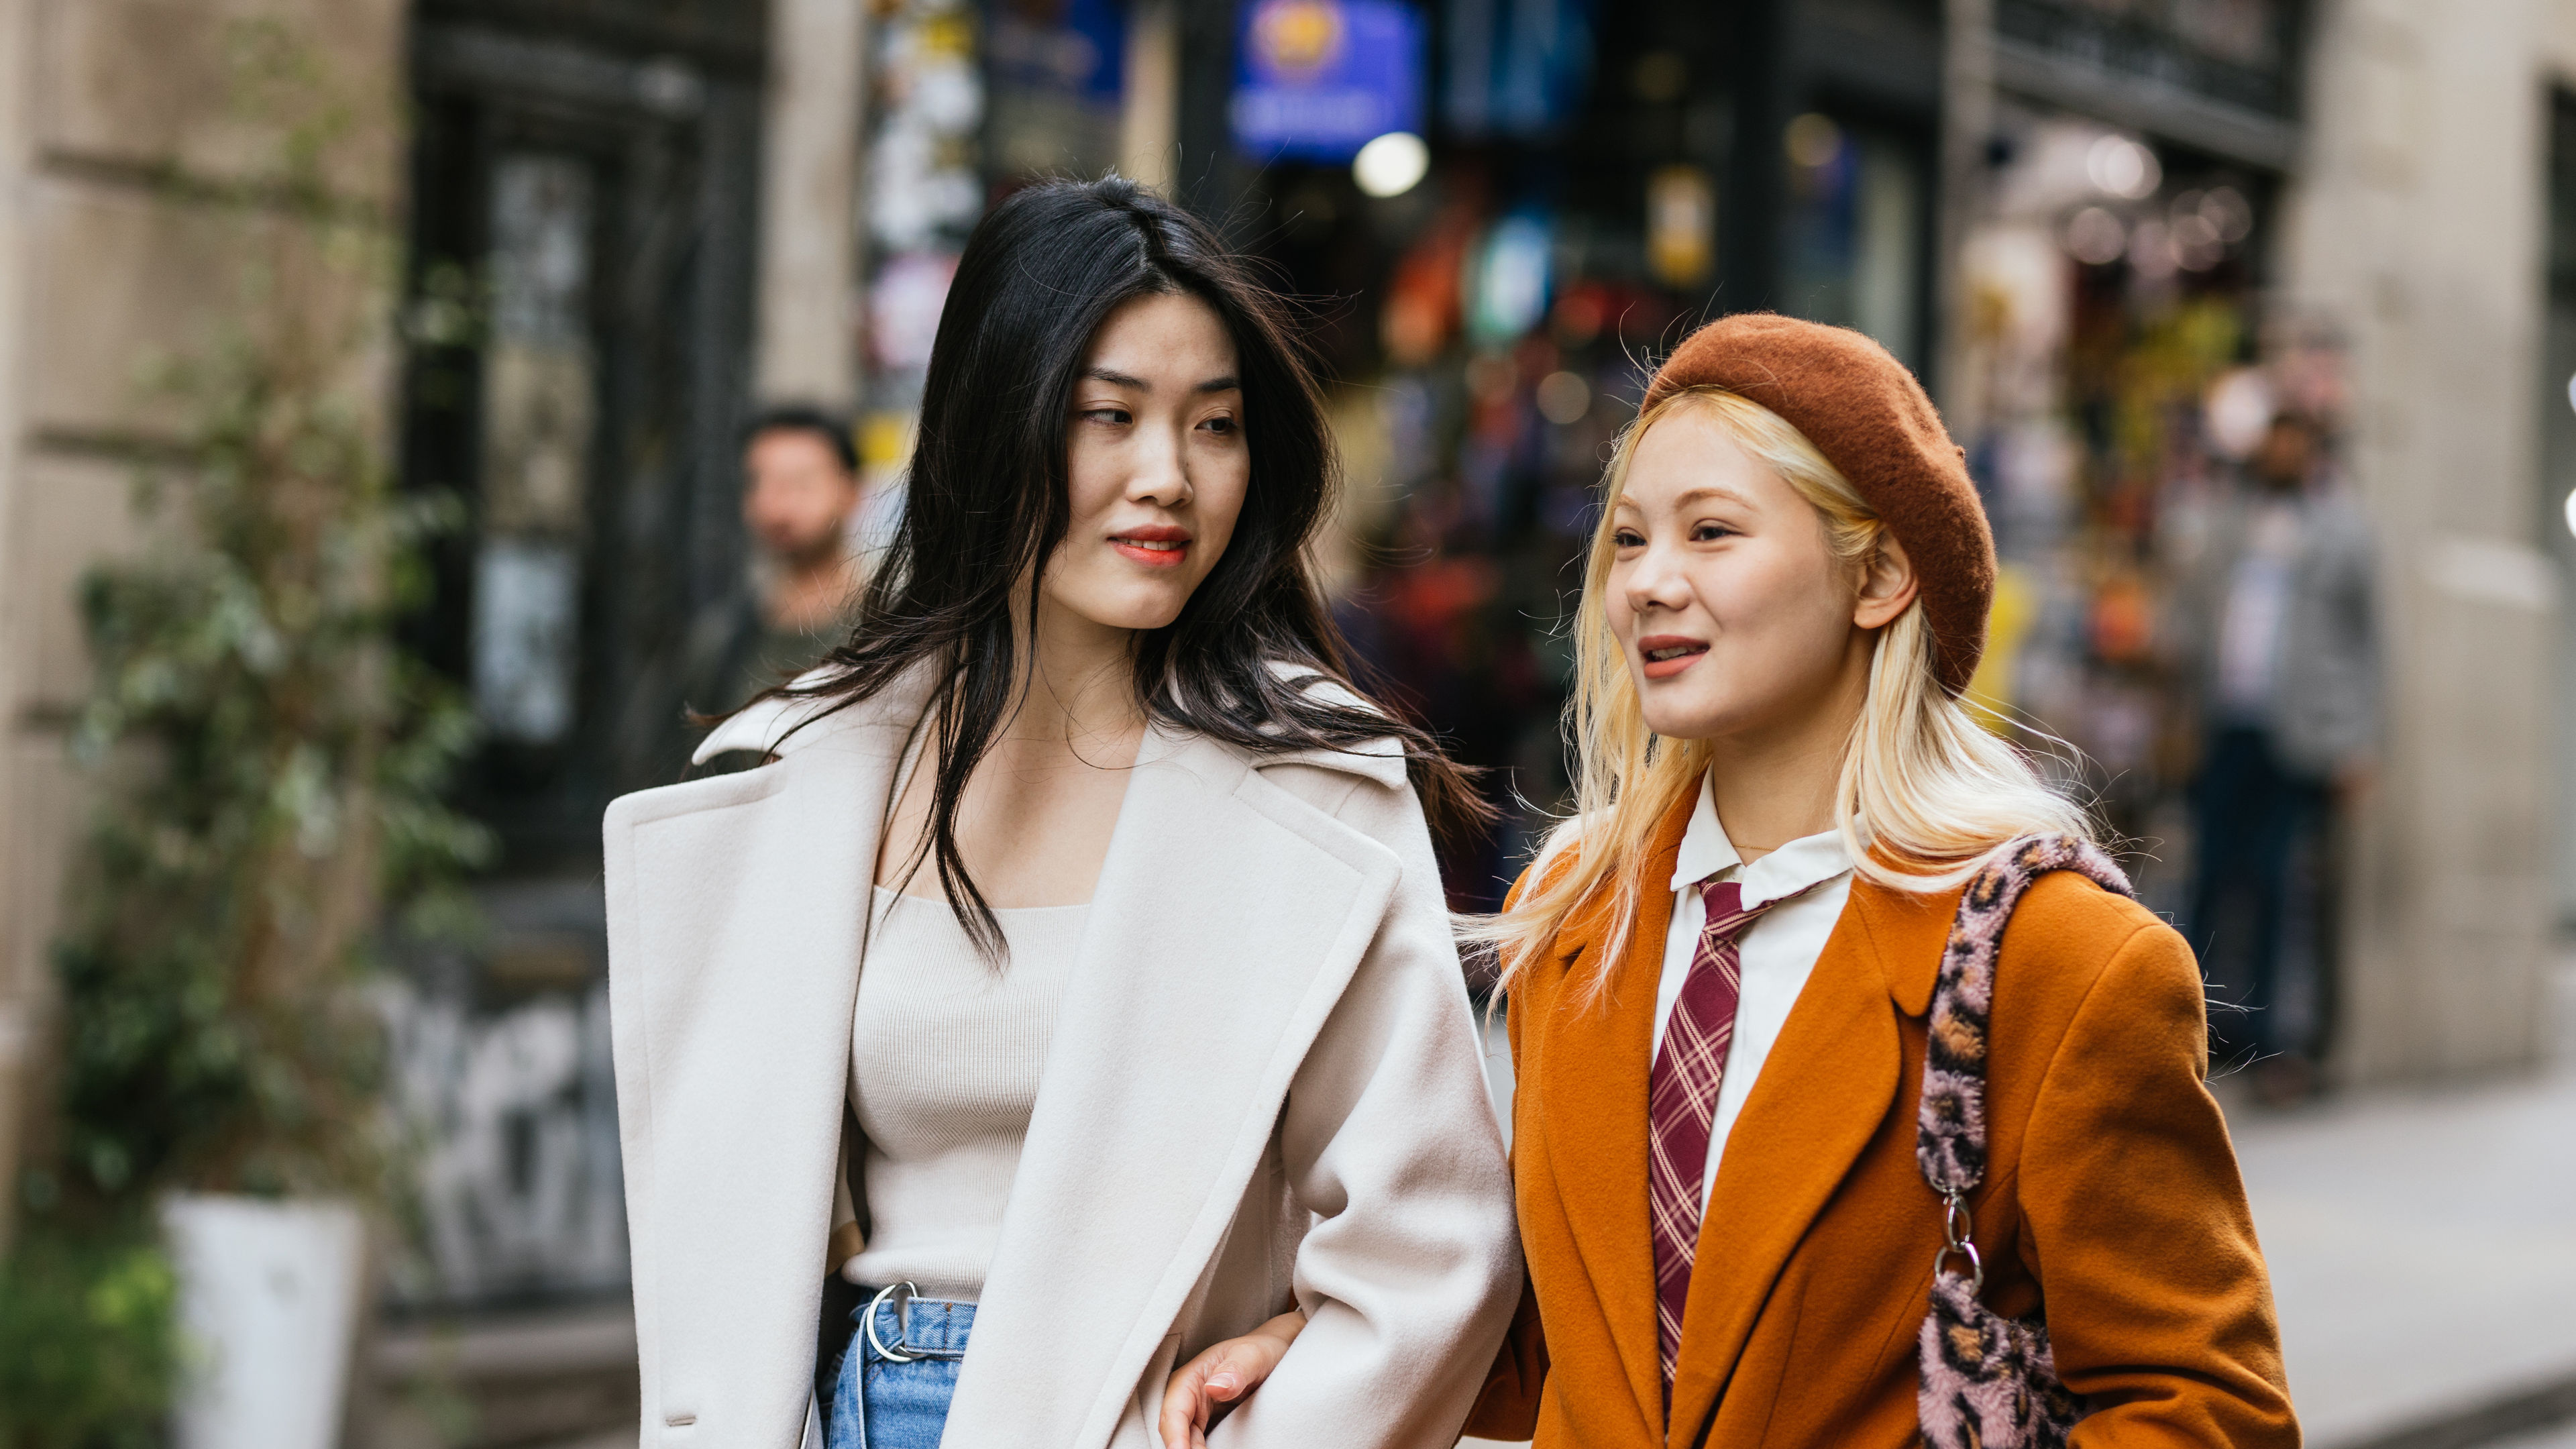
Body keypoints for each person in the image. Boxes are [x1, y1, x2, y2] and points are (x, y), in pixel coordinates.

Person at [1161, 315, 2297, 1448]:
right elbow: (1579, 1335)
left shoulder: (2062, 962)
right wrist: (1321, 1347)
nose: (1650, 584)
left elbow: (2210, 1416)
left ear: (1882, 574)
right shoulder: (1576, 912)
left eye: (1711, 533)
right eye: (1629, 540)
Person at [603, 176, 1519, 1449]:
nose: (1170, 477)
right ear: (997, 423)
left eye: (1214, 425)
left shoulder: (1314, 789)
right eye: (1110, 417)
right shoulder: (818, 765)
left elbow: (1433, 1247)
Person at [2170, 412, 2377, 1095]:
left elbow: (2371, 644)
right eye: (2276, 442)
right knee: (2209, 876)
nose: (2284, 453)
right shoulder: (2230, 523)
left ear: (2314, 453)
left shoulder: (2344, 530)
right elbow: (2194, 616)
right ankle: (2188, 1026)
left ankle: (2273, 1045)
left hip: (2301, 735)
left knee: (2278, 883)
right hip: (2226, 724)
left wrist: (2360, 741)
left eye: (2298, 443)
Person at [702, 405, 870, 712]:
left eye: (800, 483)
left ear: (851, 491)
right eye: (760, 482)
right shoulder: (725, 640)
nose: (776, 503)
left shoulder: (892, 627)